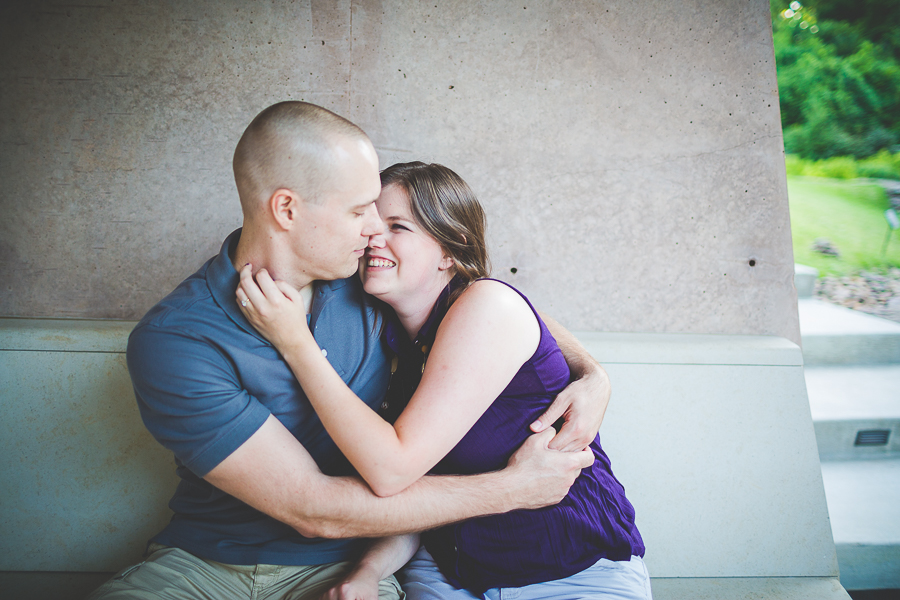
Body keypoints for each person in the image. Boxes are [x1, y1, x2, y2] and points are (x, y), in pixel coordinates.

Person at [88, 102, 611, 600]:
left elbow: (492, 306)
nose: (373, 232)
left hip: (354, 560)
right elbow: (313, 509)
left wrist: (592, 372)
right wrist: (511, 489)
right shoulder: (175, 338)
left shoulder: (371, 282)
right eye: (360, 211)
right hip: (205, 561)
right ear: (286, 209)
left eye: (386, 221)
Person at [236, 161, 649, 600]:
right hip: (451, 573)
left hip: (569, 570)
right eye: (370, 221)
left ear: (451, 251)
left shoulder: (488, 305)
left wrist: (294, 341)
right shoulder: (394, 340)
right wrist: (367, 573)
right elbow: (426, 496)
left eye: (399, 226)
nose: (374, 235)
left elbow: (391, 472)